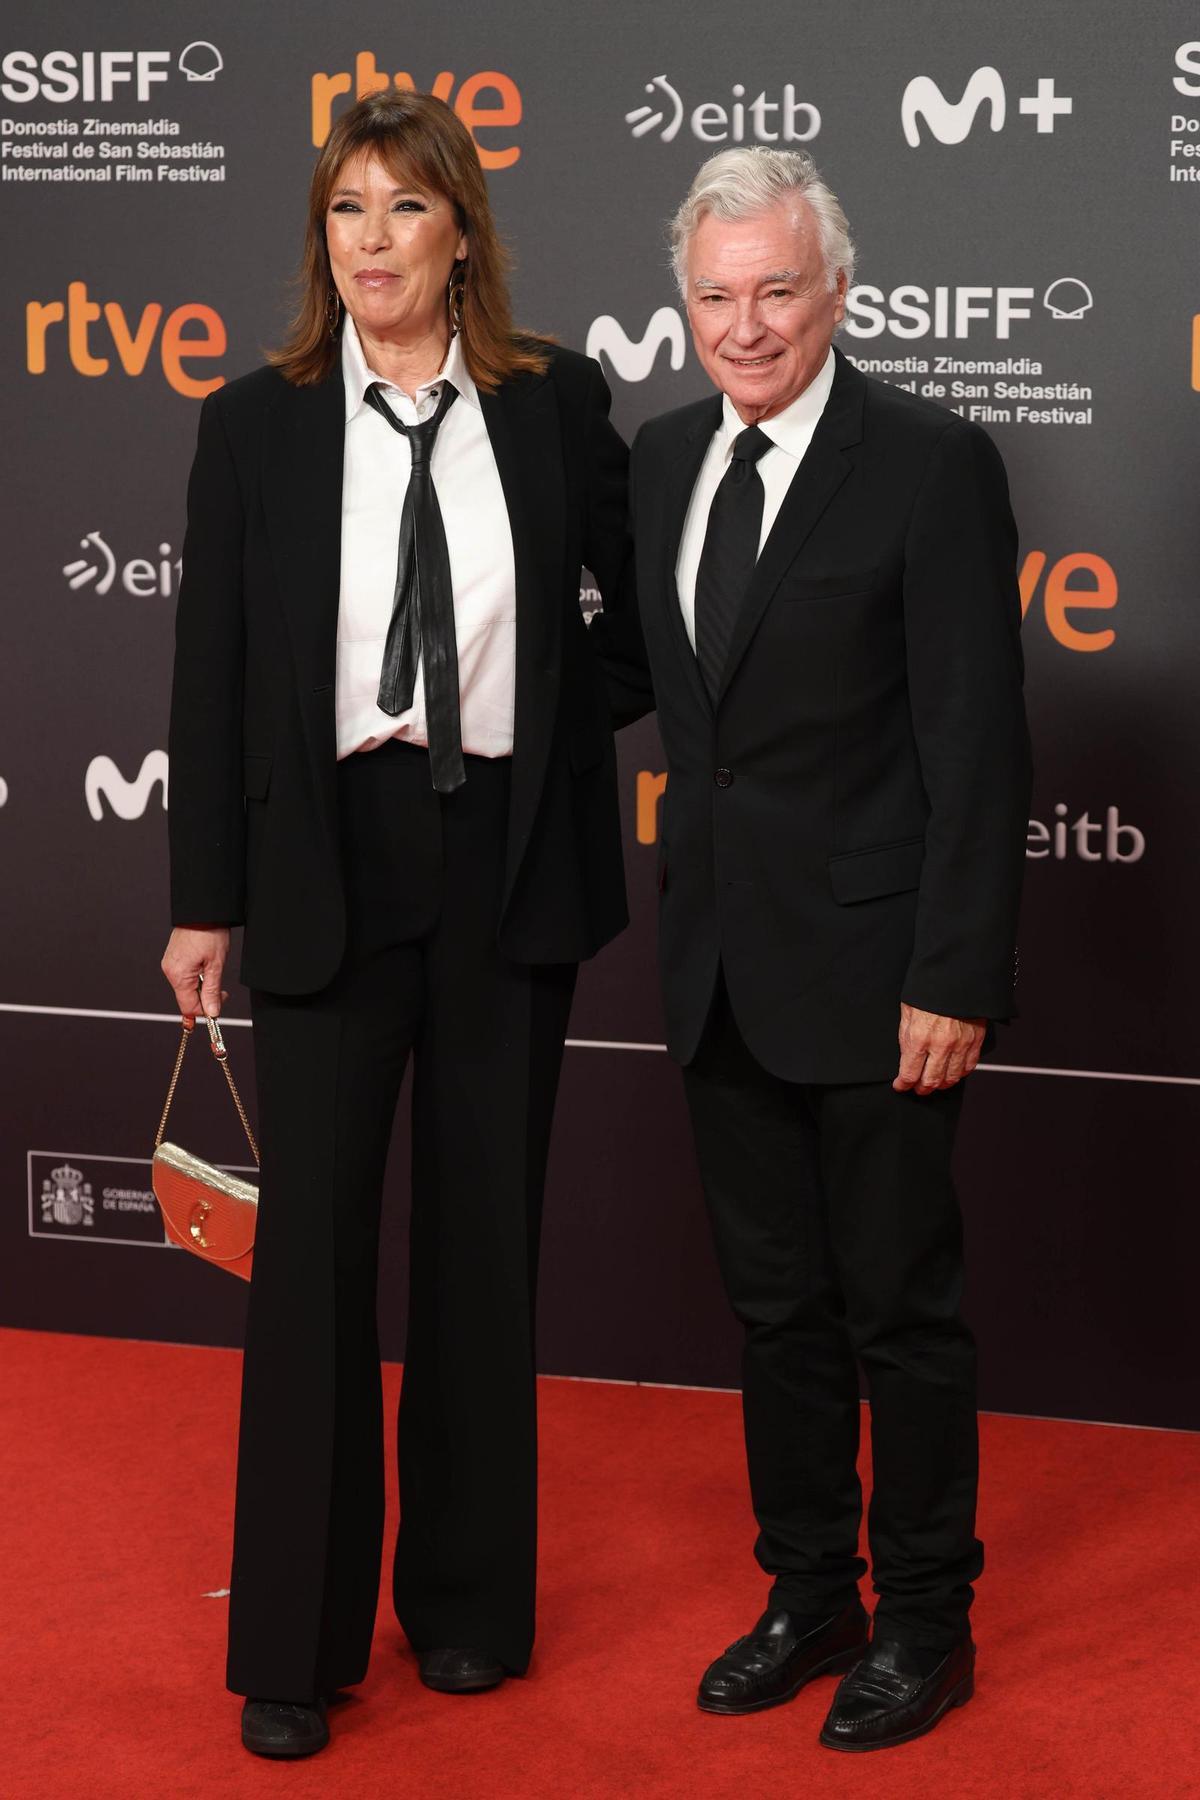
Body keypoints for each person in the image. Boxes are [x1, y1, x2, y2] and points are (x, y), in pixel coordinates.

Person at [160, 89, 630, 1760]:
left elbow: (628, 630)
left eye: (404, 210)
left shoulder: (560, 405)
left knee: (483, 1255)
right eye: (346, 211)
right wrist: (200, 896)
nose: (372, 241)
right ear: (324, 240)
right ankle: (291, 1645)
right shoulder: (258, 425)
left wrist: (548, 741)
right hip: (325, 875)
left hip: (505, 865)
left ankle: (468, 1611)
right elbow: (210, 674)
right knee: (313, 1271)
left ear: (461, 236)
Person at [595, 147, 1031, 1751]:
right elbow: (645, 681)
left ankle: (925, 1615)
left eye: (777, 289)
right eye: (716, 295)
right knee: (774, 1312)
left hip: (878, 974)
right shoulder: (656, 461)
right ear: (686, 303)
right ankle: (810, 1592)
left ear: (836, 288)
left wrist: (958, 971)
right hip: (714, 957)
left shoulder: (928, 461)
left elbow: (979, 742)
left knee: (896, 1309)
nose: (747, 323)